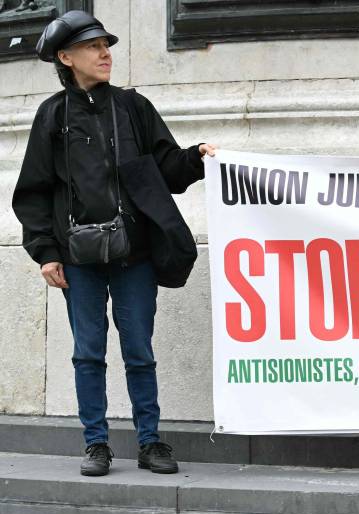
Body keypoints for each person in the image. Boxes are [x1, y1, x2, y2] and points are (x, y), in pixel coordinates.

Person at [12, 10, 217, 476]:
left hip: (135, 254)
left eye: (106, 45)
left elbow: (165, 167)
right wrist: (45, 252)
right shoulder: (52, 115)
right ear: (66, 57)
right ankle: (96, 444)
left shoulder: (132, 107)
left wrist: (197, 158)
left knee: (139, 350)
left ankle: (150, 442)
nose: (105, 54)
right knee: (88, 352)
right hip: (78, 258)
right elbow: (34, 190)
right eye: (92, 47)